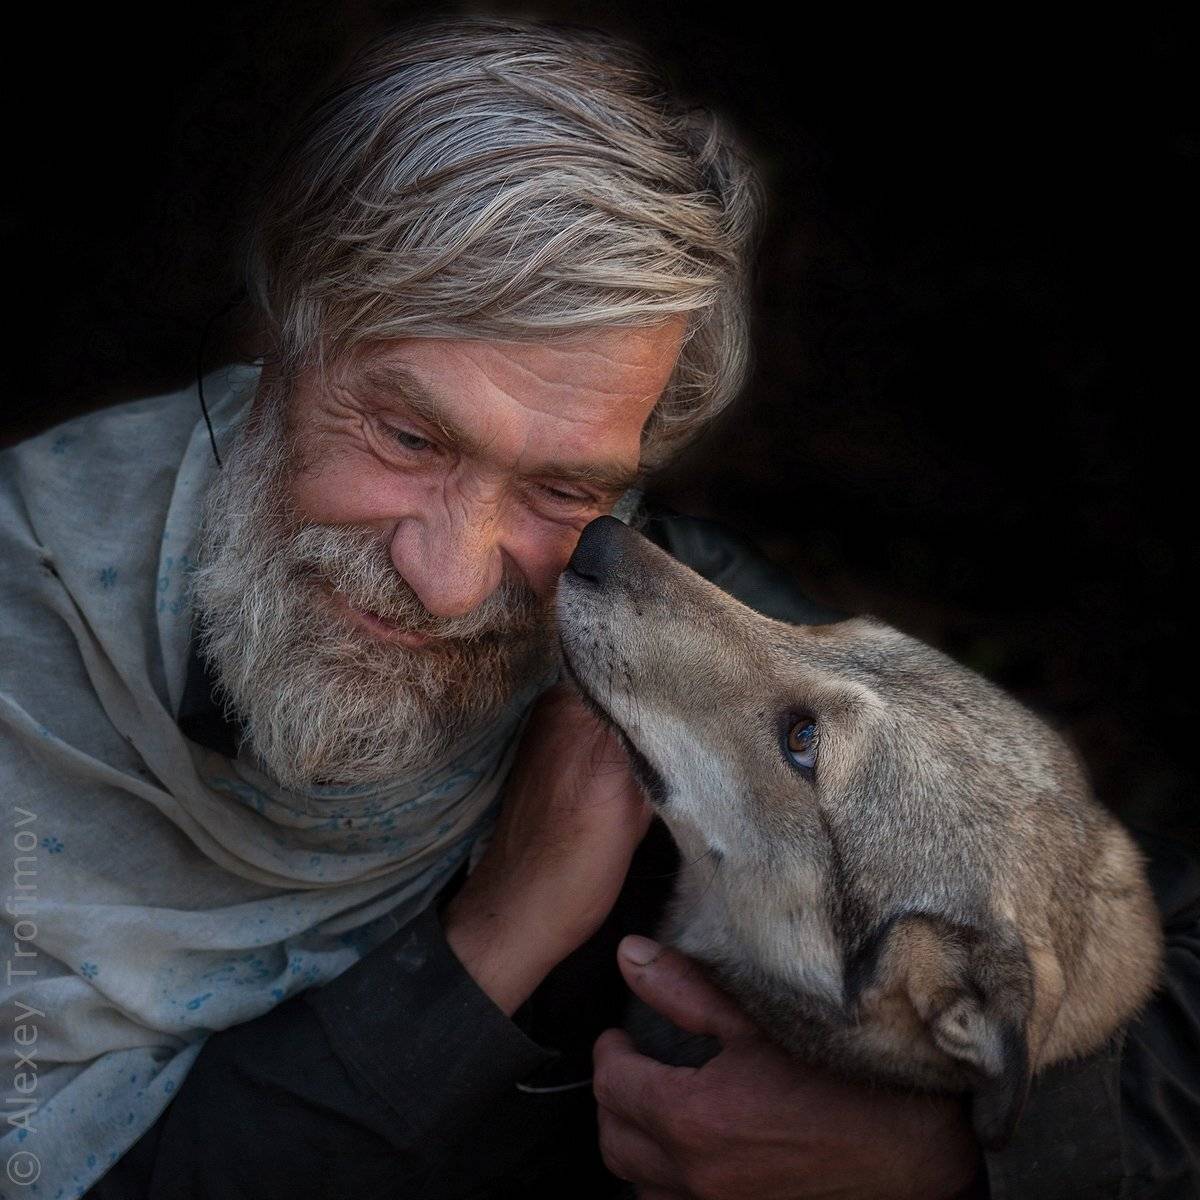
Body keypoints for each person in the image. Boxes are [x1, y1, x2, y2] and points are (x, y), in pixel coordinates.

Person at [0, 16, 1194, 1200]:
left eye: (564, 486)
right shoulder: (23, 608)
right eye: (409, 435)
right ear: (281, 337)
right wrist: (495, 937)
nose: (452, 578)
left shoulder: (684, 675)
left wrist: (960, 1156)